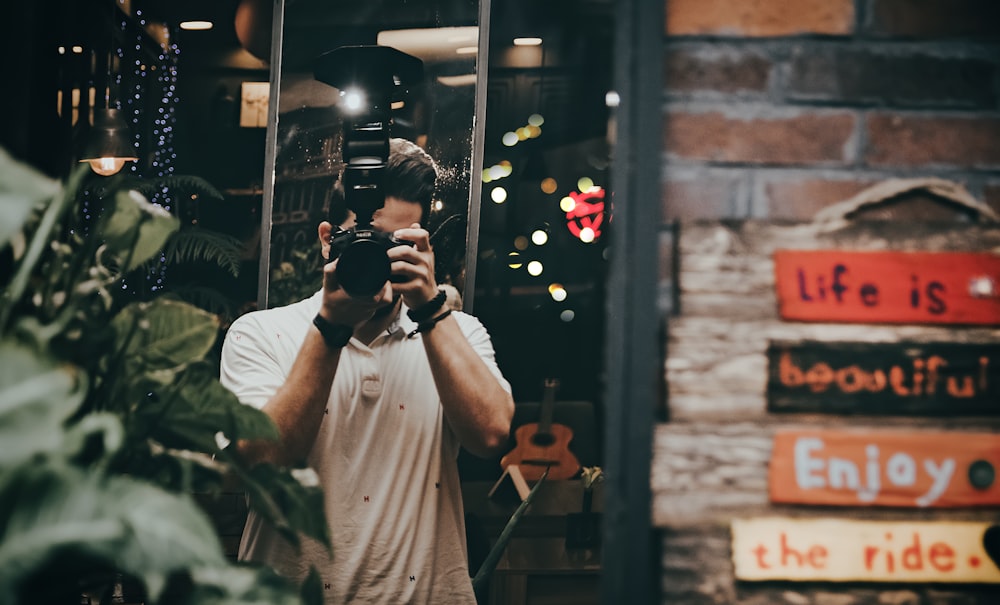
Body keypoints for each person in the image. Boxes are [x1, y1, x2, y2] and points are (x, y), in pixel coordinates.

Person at [219, 138, 514, 604]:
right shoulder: (259, 334)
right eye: (367, 241)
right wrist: (331, 328)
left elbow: (493, 436)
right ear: (325, 240)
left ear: (422, 248)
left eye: (397, 245)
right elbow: (257, 462)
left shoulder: (457, 334)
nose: (379, 259)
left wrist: (431, 309)